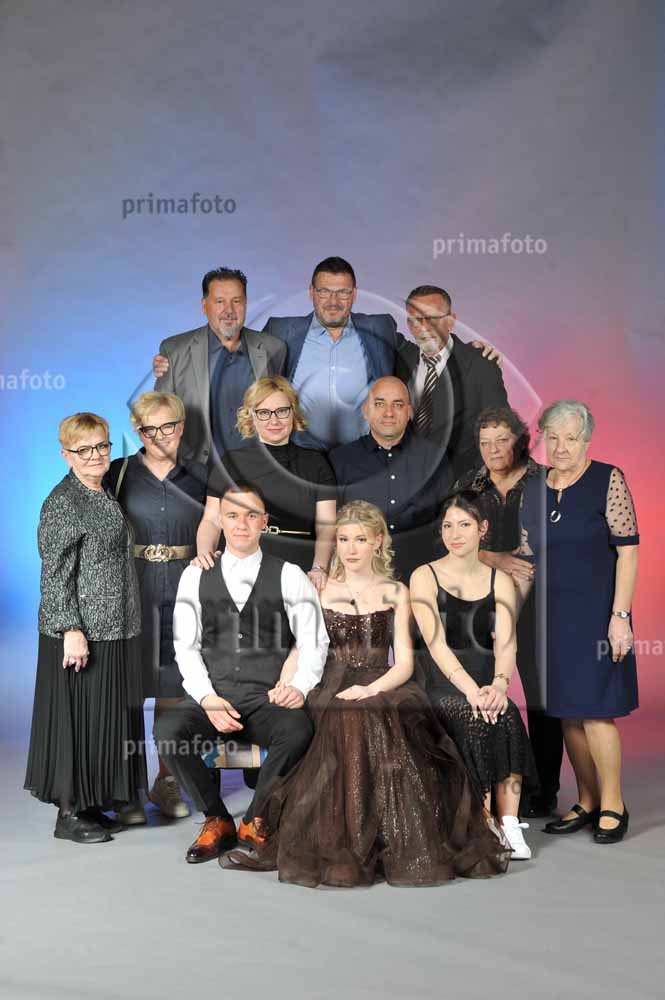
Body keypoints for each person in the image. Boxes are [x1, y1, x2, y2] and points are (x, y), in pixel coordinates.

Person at [223, 501, 510, 887]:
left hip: (382, 680)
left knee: (374, 714)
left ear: (377, 541)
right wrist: (287, 682)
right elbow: (301, 649)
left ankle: (386, 838)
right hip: (328, 681)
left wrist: (371, 688)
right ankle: (345, 842)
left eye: (359, 539)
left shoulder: (396, 591)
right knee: (345, 717)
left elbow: (404, 664)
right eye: (343, 540)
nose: (350, 549)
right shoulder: (319, 588)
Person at [153, 483, 329, 863]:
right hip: (214, 695)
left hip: (265, 699)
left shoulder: (289, 574)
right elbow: (185, 646)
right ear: (221, 521)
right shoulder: (195, 576)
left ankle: (254, 818)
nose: (241, 524)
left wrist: (299, 687)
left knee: (297, 730)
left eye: (251, 515)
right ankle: (216, 819)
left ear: (264, 522)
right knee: (168, 731)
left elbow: (315, 639)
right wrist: (206, 698)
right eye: (232, 515)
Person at [518, 400, 639, 843]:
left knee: (596, 713)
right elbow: (526, 560)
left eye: (571, 437)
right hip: (552, 618)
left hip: (597, 616)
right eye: (553, 437)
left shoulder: (608, 480)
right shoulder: (534, 490)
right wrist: (507, 615)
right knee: (567, 713)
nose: (561, 447)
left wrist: (620, 617)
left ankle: (613, 803)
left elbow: (628, 550)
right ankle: (587, 799)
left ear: (587, 439)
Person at [24, 413, 147, 844]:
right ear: (66, 454)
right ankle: (69, 813)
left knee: (101, 721)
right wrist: (70, 629)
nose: (95, 455)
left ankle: (91, 803)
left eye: (101, 446)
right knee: (78, 722)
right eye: (84, 449)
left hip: (115, 627)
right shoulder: (63, 502)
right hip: (82, 634)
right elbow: (54, 574)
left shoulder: (103, 490)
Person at [410, 493, 538, 860]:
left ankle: (509, 822)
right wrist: (471, 691)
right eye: (448, 526)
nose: (455, 534)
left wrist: (498, 685)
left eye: (464, 525)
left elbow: (507, 643)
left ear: (482, 529)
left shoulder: (500, 580)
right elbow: (435, 644)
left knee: (507, 714)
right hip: (439, 677)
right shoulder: (424, 576)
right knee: (472, 716)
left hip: (485, 678)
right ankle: (483, 822)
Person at [452, 407, 563, 817]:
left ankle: (543, 789)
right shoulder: (468, 484)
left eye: (502, 441)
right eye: (485, 443)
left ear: (520, 440)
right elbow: (451, 540)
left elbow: (557, 541)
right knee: (482, 692)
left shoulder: (545, 481)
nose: (494, 450)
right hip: (479, 603)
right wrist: (494, 557)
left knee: (540, 698)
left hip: (539, 604)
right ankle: (484, 787)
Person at [105, 391, 207, 823]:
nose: (159, 436)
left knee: (174, 687)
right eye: (149, 428)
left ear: (181, 427)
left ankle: (167, 779)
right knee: (126, 686)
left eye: (168, 426)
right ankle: (125, 787)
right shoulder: (116, 473)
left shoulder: (203, 475)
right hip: (132, 587)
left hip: (185, 588)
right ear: (137, 431)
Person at [197, 376, 336, 588]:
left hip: (301, 572)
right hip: (239, 570)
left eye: (282, 411)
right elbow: (212, 520)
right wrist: (204, 556)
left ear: (293, 413)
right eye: (264, 413)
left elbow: (327, 526)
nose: (274, 420)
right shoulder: (230, 462)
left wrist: (319, 567)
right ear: (251, 416)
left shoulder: (316, 463)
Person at [262, 256, 401, 450]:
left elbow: (420, 354)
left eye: (342, 292)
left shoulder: (380, 327)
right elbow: (251, 371)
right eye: (324, 291)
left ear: (354, 294)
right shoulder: (280, 330)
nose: (333, 302)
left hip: (362, 453)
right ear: (312, 292)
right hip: (301, 452)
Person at [153, 267, 286, 465]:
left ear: (246, 303)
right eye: (220, 301)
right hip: (197, 468)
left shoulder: (273, 348)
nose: (229, 310)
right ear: (204, 305)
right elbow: (158, 416)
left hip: (259, 467)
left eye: (236, 301)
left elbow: (283, 408)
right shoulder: (174, 351)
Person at [329, 376, 453, 581]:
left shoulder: (435, 458)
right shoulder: (340, 460)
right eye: (379, 404)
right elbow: (329, 526)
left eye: (398, 405)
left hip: (424, 574)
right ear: (365, 411)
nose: (389, 413)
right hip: (360, 576)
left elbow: (448, 521)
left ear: (409, 412)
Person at [395, 285, 509, 479]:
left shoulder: (480, 364)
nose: (424, 327)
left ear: (450, 321)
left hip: (459, 485)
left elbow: (500, 431)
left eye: (432, 318)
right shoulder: (401, 360)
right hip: (408, 481)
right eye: (416, 319)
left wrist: (474, 487)